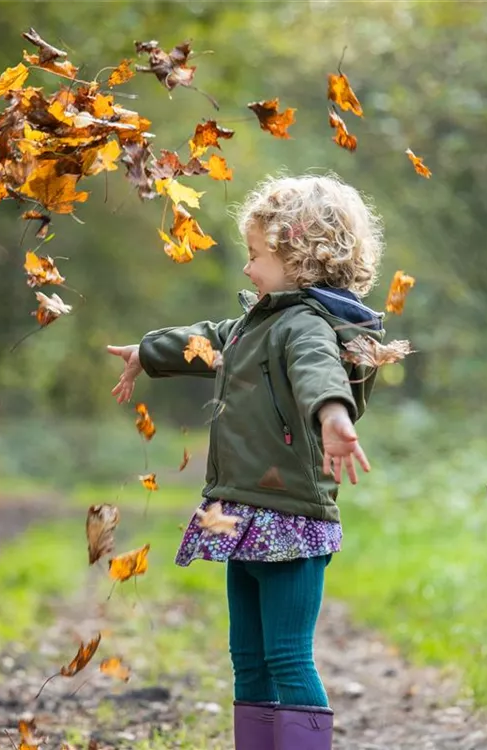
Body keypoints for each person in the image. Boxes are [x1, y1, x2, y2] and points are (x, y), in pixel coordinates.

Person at [106, 173, 385, 750]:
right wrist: (147, 352)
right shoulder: (260, 324)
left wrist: (334, 415)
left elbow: (318, 369)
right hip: (244, 513)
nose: (247, 267)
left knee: (287, 655)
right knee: (248, 658)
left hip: (289, 517)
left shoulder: (304, 326)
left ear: (299, 257)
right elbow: (211, 339)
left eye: (256, 255)